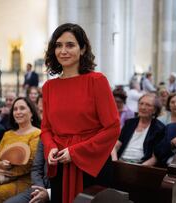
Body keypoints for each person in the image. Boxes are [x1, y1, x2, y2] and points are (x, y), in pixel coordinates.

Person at [41, 23, 120, 203]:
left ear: (83, 49)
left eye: (70, 45)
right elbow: (46, 129)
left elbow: (112, 128)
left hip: (92, 163)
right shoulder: (48, 87)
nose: (63, 51)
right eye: (58, 45)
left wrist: (76, 152)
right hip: (61, 162)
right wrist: (51, 147)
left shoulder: (96, 81)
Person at [111, 94, 165, 165]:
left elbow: (155, 158)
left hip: (141, 165)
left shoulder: (159, 128)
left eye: (148, 105)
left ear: (155, 110)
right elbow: (116, 145)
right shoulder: (129, 123)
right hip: (120, 162)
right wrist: (115, 161)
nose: (143, 107)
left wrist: (139, 168)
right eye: (141, 103)